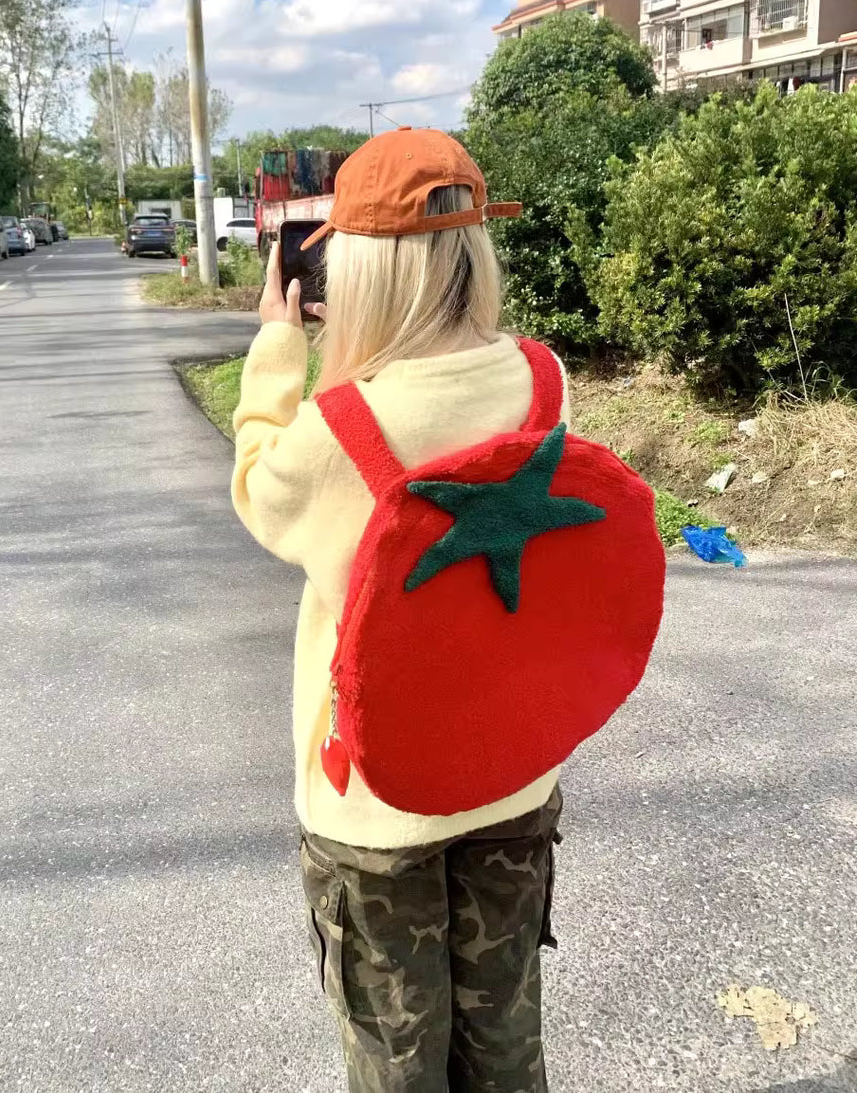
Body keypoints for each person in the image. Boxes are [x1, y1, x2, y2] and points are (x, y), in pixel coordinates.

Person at [231, 128, 571, 1092]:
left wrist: (277, 340)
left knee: (396, 1053)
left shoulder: (338, 432)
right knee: (506, 1035)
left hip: (372, 800)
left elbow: (258, 489)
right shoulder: (545, 383)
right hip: (511, 771)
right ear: (476, 247)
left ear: (361, 266)